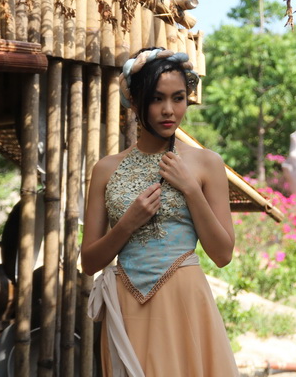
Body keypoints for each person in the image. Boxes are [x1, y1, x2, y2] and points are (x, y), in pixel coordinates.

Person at [82, 47, 239, 377]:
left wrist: (191, 189)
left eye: (178, 98)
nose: (169, 110)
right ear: (134, 101)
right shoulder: (105, 169)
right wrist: (127, 224)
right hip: (126, 305)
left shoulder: (206, 163)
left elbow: (223, 254)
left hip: (184, 303)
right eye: (156, 99)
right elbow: (89, 263)